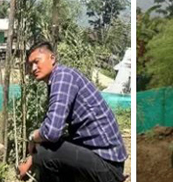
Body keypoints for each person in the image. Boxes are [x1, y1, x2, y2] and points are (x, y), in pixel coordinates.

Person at [17, 42, 127, 182]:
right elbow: (52, 131)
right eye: (30, 64)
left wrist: (32, 137)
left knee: (46, 154)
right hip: (99, 158)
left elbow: (51, 131)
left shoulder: (63, 77)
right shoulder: (60, 78)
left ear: (52, 58)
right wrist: (32, 159)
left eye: (36, 62)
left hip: (108, 166)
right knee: (45, 148)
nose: (33, 68)